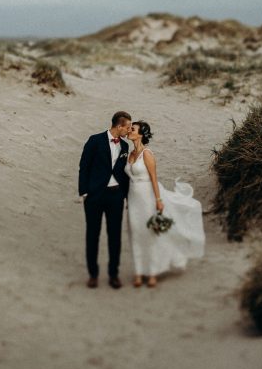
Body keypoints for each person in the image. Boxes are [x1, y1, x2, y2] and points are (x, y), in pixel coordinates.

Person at [125, 121, 205, 288]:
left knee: (151, 232)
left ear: (140, 134)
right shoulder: (130, 154)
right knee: (136, 233)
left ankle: (153, 272)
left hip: (147, 194)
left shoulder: (147, 154)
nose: (129, 130)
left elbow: (154, 178)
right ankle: (139, 272)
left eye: (132, 129)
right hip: (133, 197)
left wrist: (158, 200)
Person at [78, 111, 132, 289]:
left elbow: (124, 173)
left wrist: (124, 194)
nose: (129, 130)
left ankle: (113, 274)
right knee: (92, 234)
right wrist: (84, 192)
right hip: (95, 195)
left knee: (115, 236)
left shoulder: (125, 146)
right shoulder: (95, 140)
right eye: (128, 127)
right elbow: (84, 166)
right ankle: (93, 274)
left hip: (116, 196)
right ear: (119, 126)